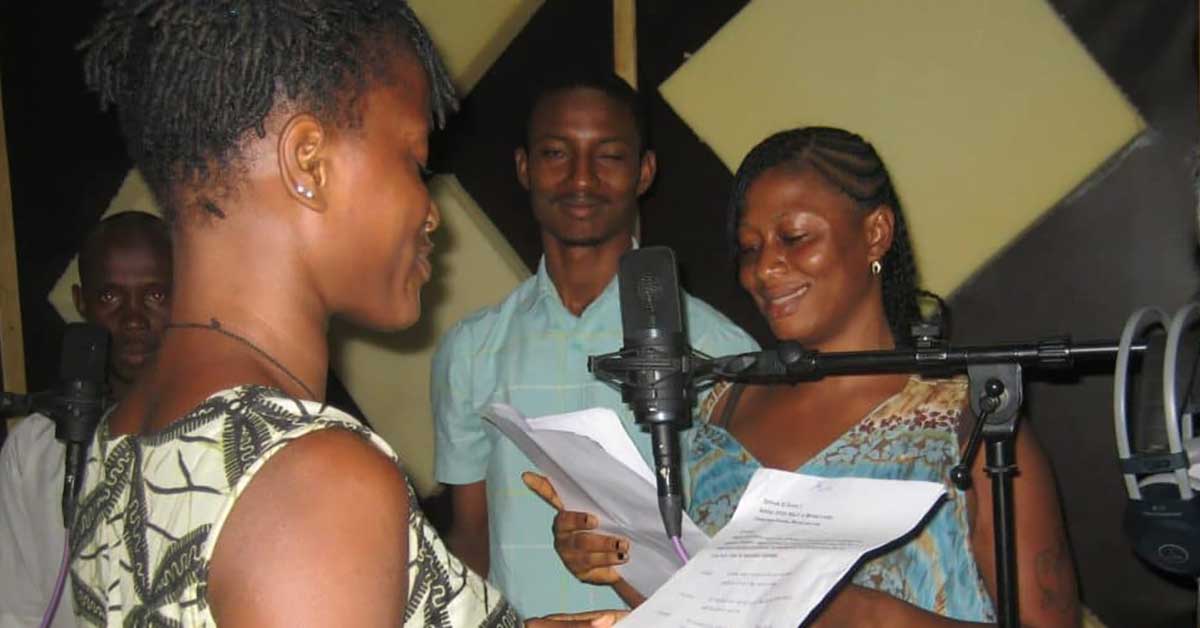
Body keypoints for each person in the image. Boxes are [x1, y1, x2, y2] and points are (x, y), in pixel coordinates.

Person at [69, 2, 618, 626]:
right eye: (415, 163)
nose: (431, 211)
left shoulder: (120, 436)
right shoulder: (314, 479)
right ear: (309, 162)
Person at [530, 127, 1082, 626]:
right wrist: (617, 556)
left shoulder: (971, 423)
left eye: (794, 238)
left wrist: (864, 616)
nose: (764, 269)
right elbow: (708, 608)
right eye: (750, 248)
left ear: (876, 233)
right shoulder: (718, 410)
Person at [432, 70, 759, 619]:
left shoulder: (716, 350)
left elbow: (746, 550)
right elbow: (472, 542)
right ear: (524, 168)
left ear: (644, 171)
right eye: (557, 153)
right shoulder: (470, 351)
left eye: (607, 156)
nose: (580, 179)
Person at [0, 211, 172, 628]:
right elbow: (17, 610)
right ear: (80, 302)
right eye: (110, 297)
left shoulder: (226, 434)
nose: (133, 318)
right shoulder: (37, 446)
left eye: (155, 296)